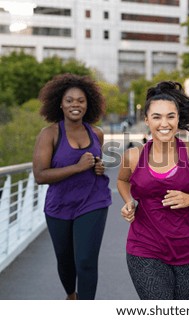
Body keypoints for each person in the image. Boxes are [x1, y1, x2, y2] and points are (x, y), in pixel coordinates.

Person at [117, 81, 189, 300]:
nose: (164, 123)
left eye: (170, 116)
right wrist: (129, 201)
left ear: (178, 119)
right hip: (144, 247)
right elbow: (122, 181)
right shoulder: (133, 157)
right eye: (156, 117)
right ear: (146, 120)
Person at [32, 73, 112, 300]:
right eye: (69, 100)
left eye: (80, 100)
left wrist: (98, 166)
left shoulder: (96, 133)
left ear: (88, 104)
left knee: (86, 261)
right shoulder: (49, 135)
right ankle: (71, 295)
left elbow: (96, 162)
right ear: (60, 103)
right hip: (60, 205)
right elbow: (40, 175)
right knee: (65, 261)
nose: (75, 104)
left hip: (93, 201)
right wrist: (77, 168)